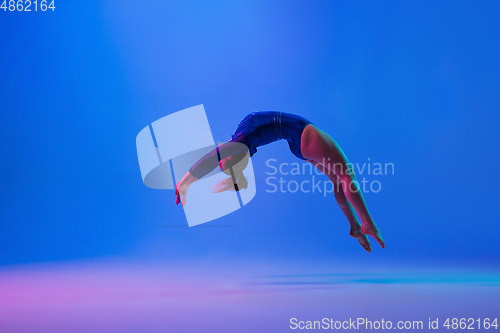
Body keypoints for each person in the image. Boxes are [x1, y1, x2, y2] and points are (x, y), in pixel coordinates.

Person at [175, 111, 384, 252]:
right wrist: (186, 180)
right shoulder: (238, 144)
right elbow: (212, 158)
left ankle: (355, 226)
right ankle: (368, 223)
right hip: (303, 135)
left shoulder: (241, 137)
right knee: (347, 176)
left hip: (298, 143)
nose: (222, 159)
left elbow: (217, 158)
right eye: (224, 161)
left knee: (336, 179)